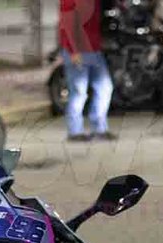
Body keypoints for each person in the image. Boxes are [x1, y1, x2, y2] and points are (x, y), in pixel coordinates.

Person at [59, 0, 114, 142]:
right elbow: (67, 24)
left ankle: (99, 128)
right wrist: (73, 50)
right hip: (78, 50)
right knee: (79, 92)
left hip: (93, 48)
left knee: (105, 87)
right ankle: (75, 131)